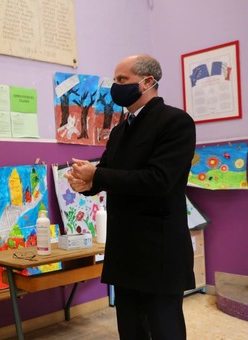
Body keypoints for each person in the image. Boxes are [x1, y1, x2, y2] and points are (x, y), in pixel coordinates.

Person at [65, 54, 196, 339]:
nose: (116, 86)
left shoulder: (176, 122)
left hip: (159, 248)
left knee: (165, 327)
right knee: (130, 328)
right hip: (125, 249)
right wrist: (85, 184)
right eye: (115, 80)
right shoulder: (121, 130)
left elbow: (158, 180)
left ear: (148, 82)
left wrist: (96, 176)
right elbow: (109, 172)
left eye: (122, 80)